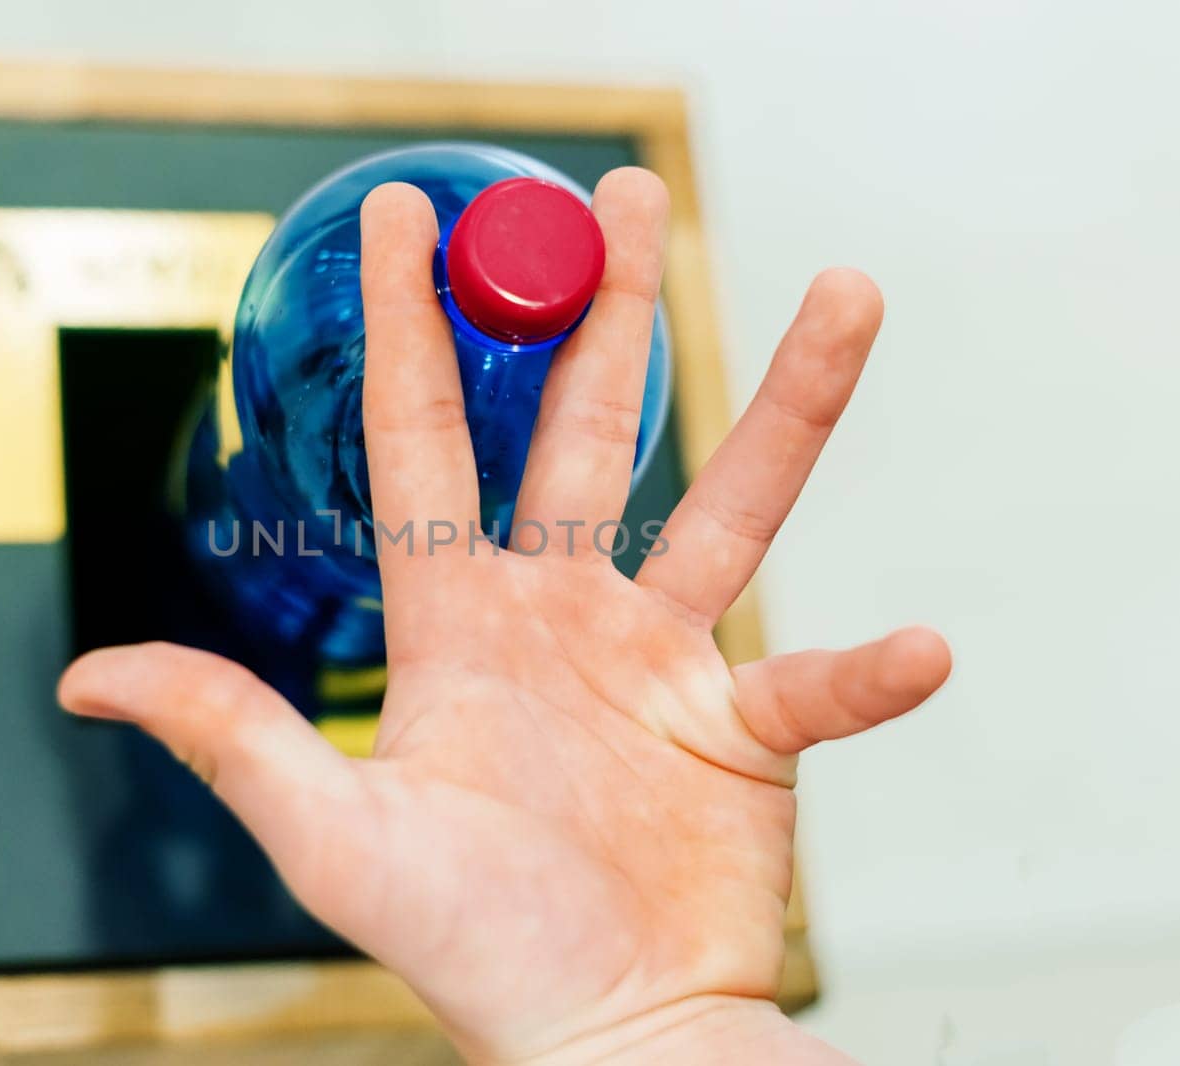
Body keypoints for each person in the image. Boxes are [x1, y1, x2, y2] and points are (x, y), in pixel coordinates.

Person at [58, 169, 952, 1064]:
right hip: (282, 552)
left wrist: (651, 1027)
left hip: (359, 596)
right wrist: (653, 1029)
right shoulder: (310, 307)